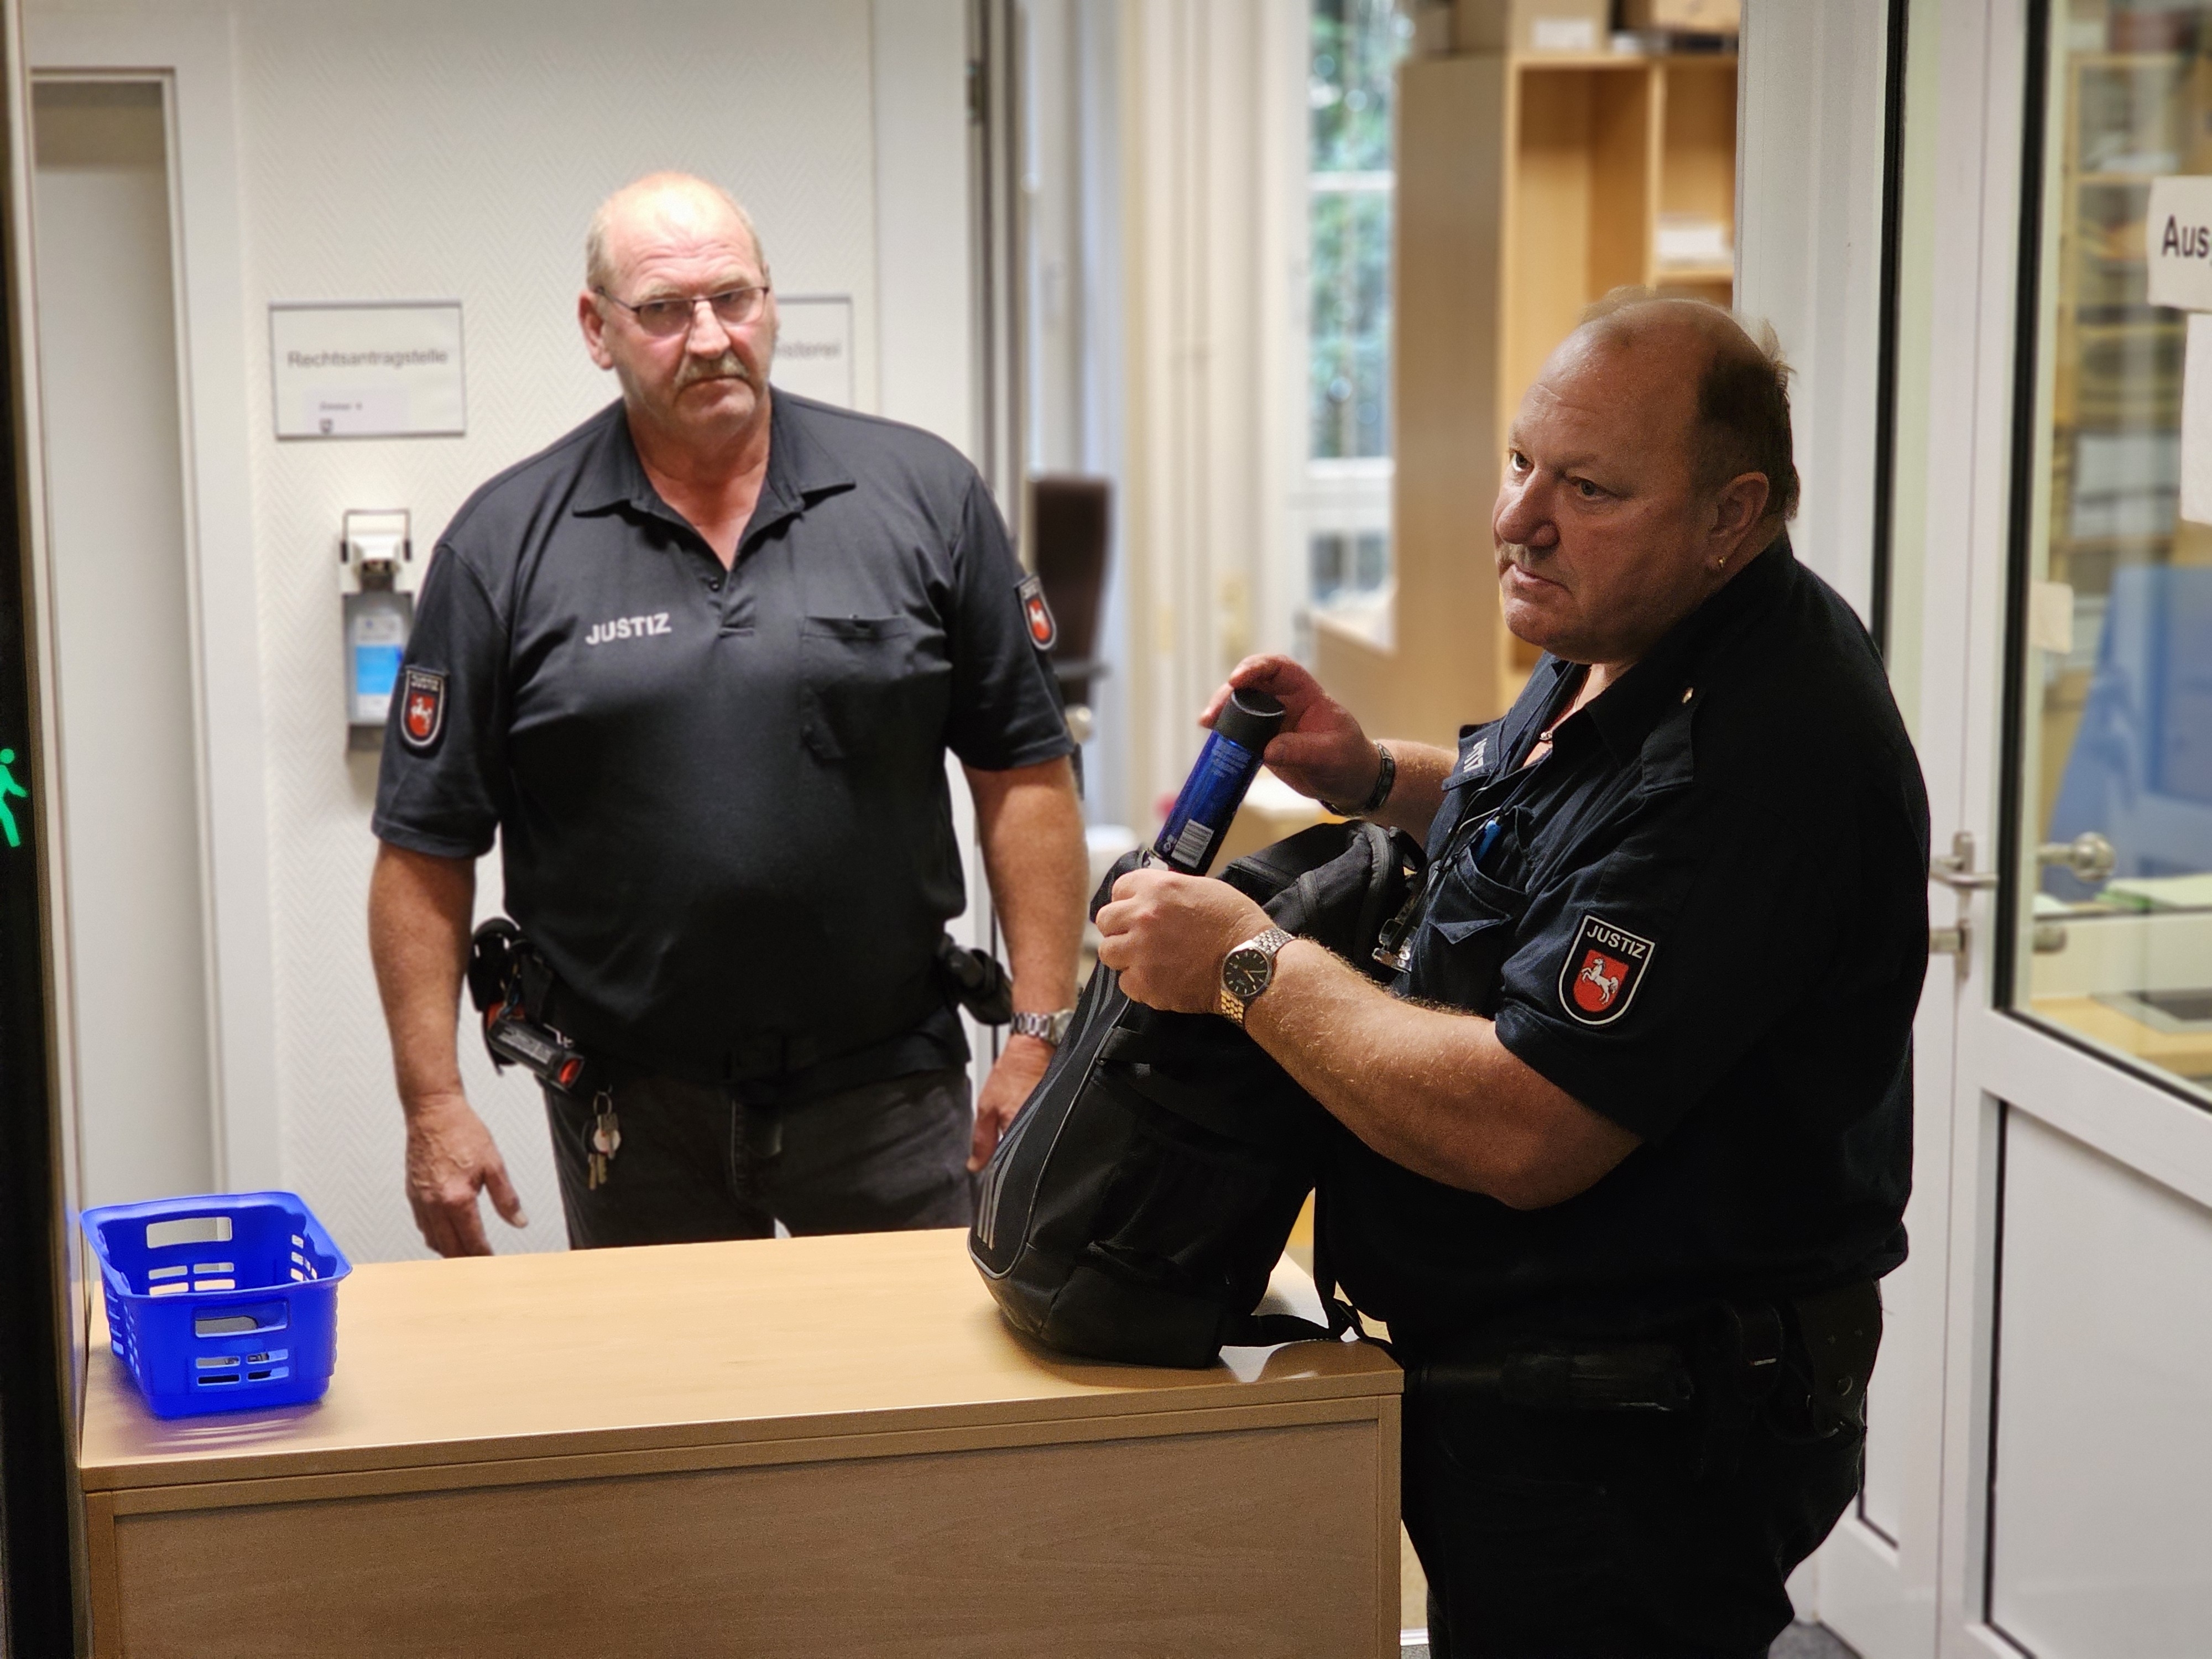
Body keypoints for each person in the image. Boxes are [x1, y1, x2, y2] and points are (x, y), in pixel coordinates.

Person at [1094, 293, 1928, 1658]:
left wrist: (1244, 965)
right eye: (1519, 461)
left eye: (1586, 489)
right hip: (1536, 1395)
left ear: (1730, 516)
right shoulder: (1632, 633)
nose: (1516, 520)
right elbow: (1545, 826)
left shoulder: (1757, 756)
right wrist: (1373, 776)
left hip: (1639, 1439)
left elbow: (1526, 1126)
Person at [369, 173, 1087, 1259]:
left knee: (920, 1366)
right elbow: (423, 848)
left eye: (733, 300)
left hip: (888, 1085)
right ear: (597, 328)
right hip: (631, 1103)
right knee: (670, 1374)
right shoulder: (504, 545)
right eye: (664, 309)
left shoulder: (923, 497)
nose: (709, 338)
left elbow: (1024, 775)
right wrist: (433, 1103)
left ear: (770, 304)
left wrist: (1037, 1037)